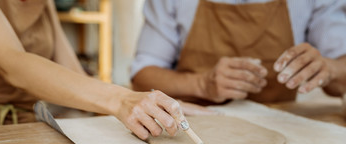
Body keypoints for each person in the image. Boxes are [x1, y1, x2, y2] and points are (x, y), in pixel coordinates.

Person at [0, 0, 194, 141]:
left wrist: (151, 105)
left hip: (26, 131)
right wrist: (121, 100)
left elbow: (75, 77)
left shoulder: (44, 4)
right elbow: (11, 64)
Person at [131, 0, 346, 104]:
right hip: (192, 126)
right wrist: (201, 85)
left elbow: (339, 85)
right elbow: (142, 77)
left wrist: (330, 69)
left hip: (283, 127)